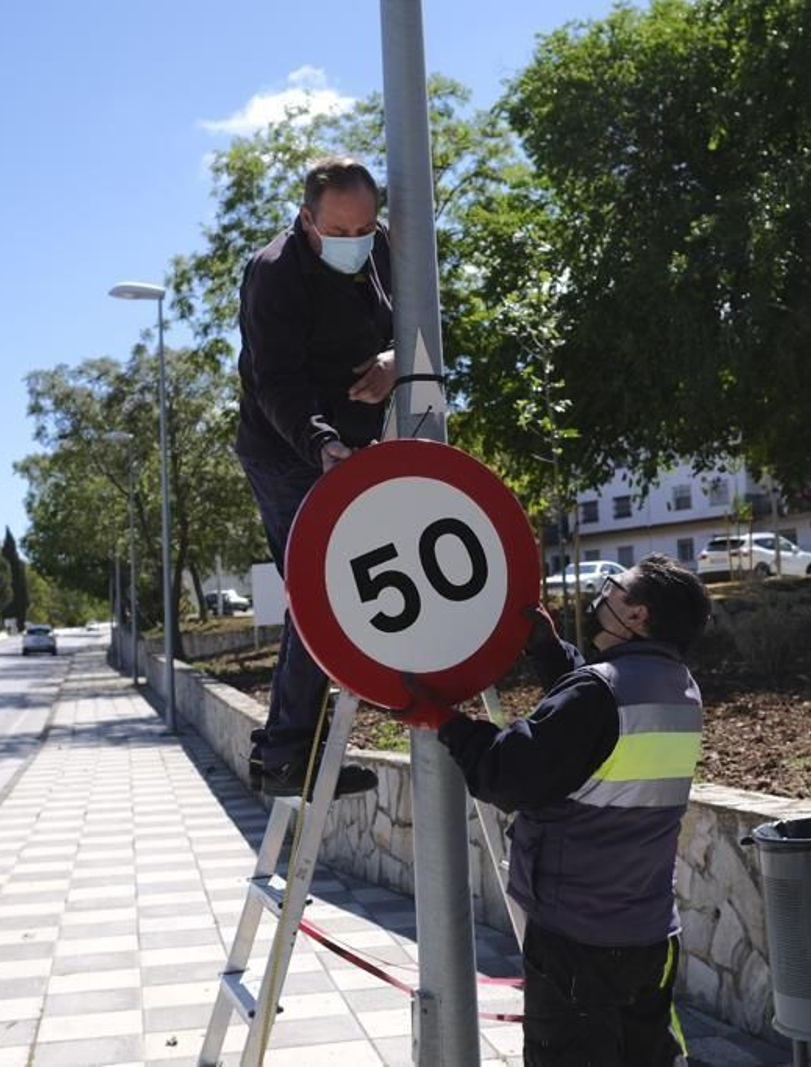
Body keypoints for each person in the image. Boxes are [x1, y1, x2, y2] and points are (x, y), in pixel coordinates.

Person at [437, 554, 713, 1066]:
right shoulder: (679, 690)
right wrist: (548, 652)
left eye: (615, 588)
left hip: (578, 943)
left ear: (638, 617)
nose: (602, 593)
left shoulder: (598, 693)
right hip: (650, 935)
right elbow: (597, 720)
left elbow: (506, 773)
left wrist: (443, 722)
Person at [236, 156, 396, 798]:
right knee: (320, 586)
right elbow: (275, 381)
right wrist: (321, 442)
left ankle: (290, 747)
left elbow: (424, 325)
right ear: (306, 220)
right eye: (341, 230)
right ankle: (283, 755)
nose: (356, 242)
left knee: (339, 586)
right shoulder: (273, 275)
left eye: (367, 228)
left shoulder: (385, 248)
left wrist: (395, 360)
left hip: (355, 446)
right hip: (286, 451)